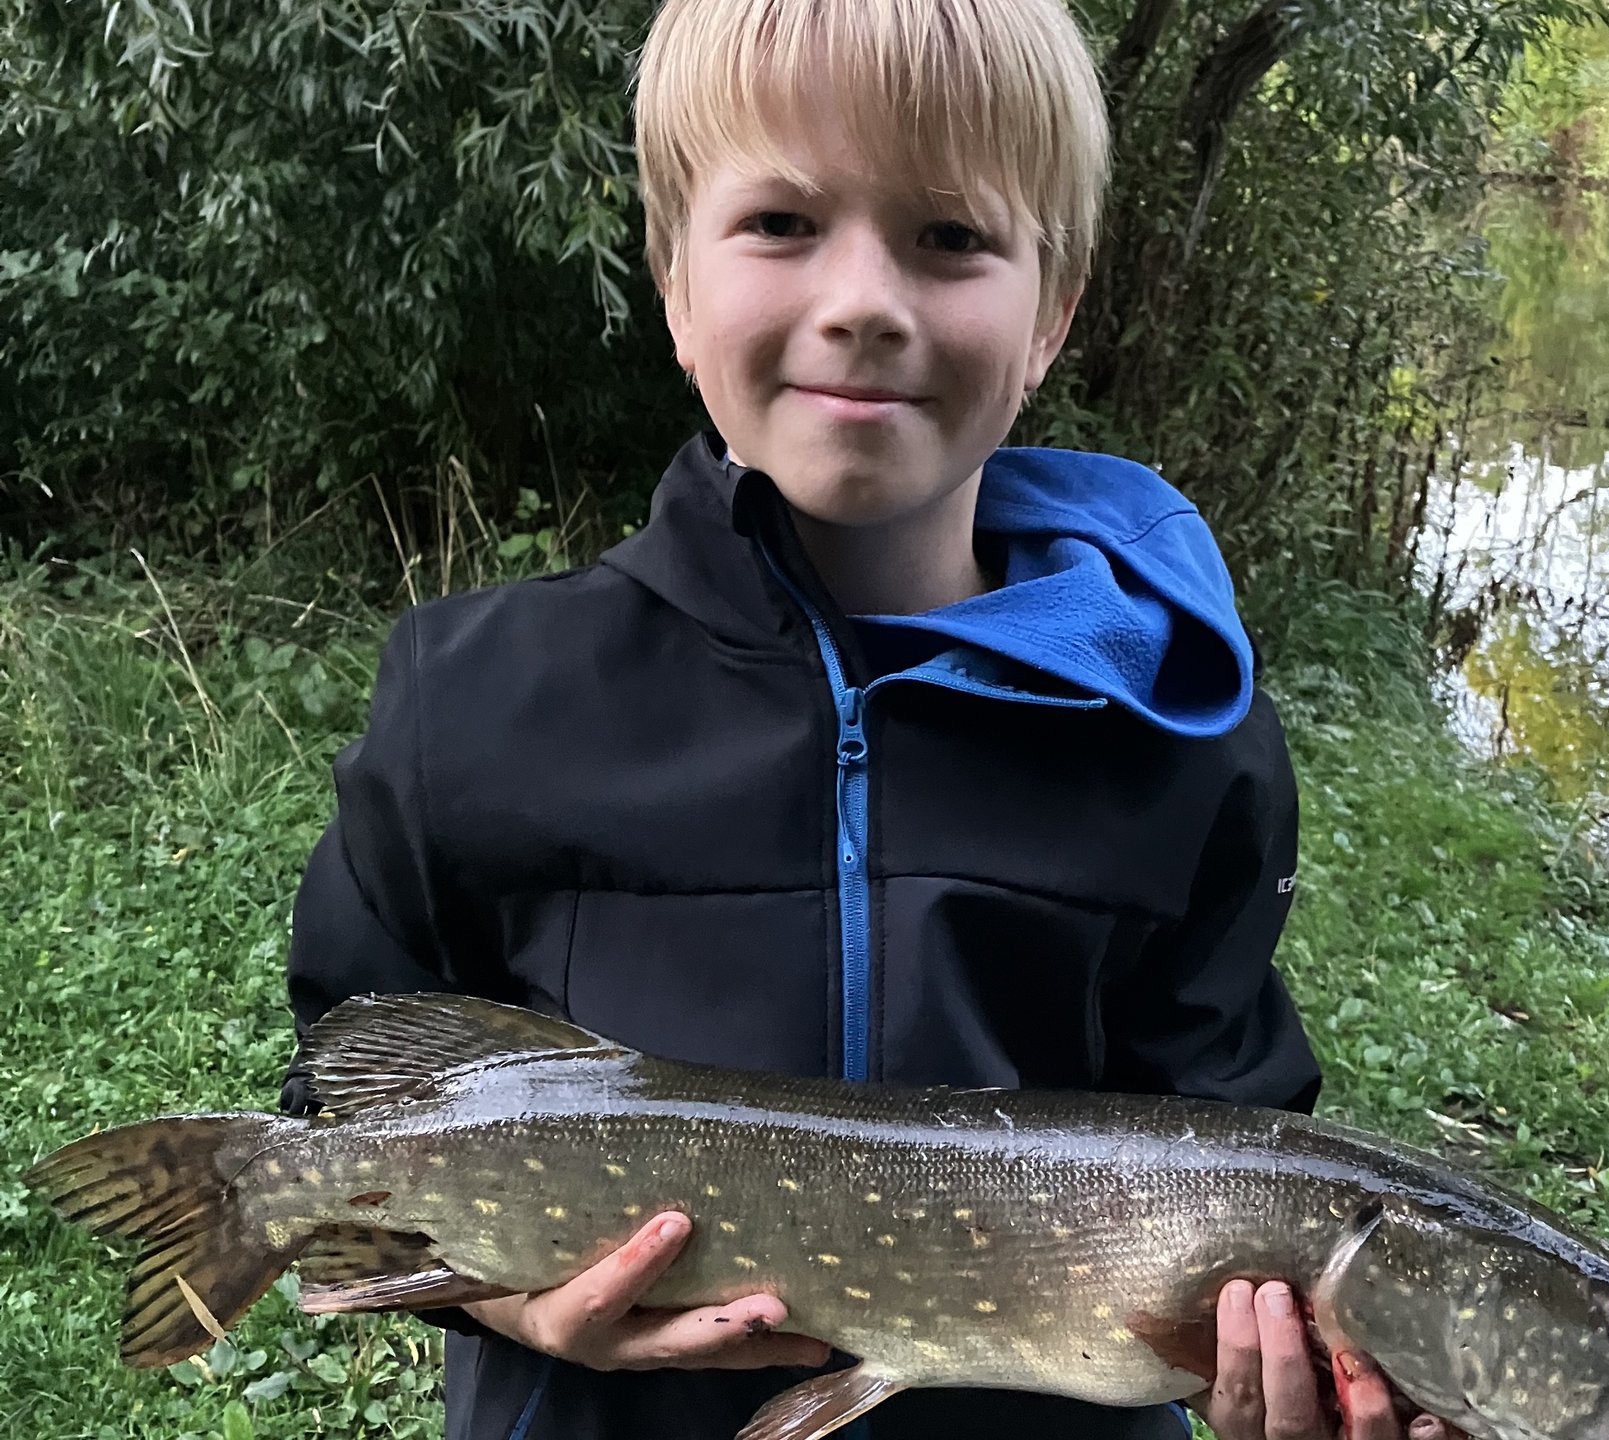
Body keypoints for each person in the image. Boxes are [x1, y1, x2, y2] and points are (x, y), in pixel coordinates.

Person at [280, 1, 1454, 1437]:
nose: (863, 300)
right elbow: (354, 1082)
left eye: (951, 239)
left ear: (1053, 311)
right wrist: (497, 1293)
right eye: (780, 222)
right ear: (672, 281)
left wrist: (1292, 1378)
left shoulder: (1183, 746)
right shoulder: (471, 704)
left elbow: (1238, 1148)